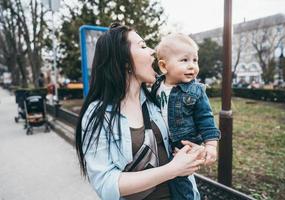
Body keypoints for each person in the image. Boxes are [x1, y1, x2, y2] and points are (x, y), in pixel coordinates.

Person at [75, 23, 203, 200]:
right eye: (143, 46)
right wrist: (172, 170)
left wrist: (195, 149)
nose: (152, 51)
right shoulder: (97, 114)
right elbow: (106, 184)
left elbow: (181, 139)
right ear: (125, 60)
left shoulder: (157, 100)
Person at [151, 33, 221, 200]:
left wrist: (211, 145)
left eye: (195, 60)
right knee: (168, 181)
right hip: (163, 145)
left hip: (185, 147)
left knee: (183, 184)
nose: (192, 66)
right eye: (184, 60)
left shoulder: (196, 91)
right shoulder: (156, 86)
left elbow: (206, 119)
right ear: (163, 66)